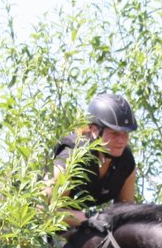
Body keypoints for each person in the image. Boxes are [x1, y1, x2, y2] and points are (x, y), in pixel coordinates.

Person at [49, 92, 139, 227]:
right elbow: (48, 211)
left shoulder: (125, 163)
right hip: (30, 227)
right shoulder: (72, 156)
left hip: (77, 221)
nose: (121, 141)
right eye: (114, 133)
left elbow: (124, 214)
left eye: (125, 134)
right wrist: (91, 218)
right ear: (94, 130)